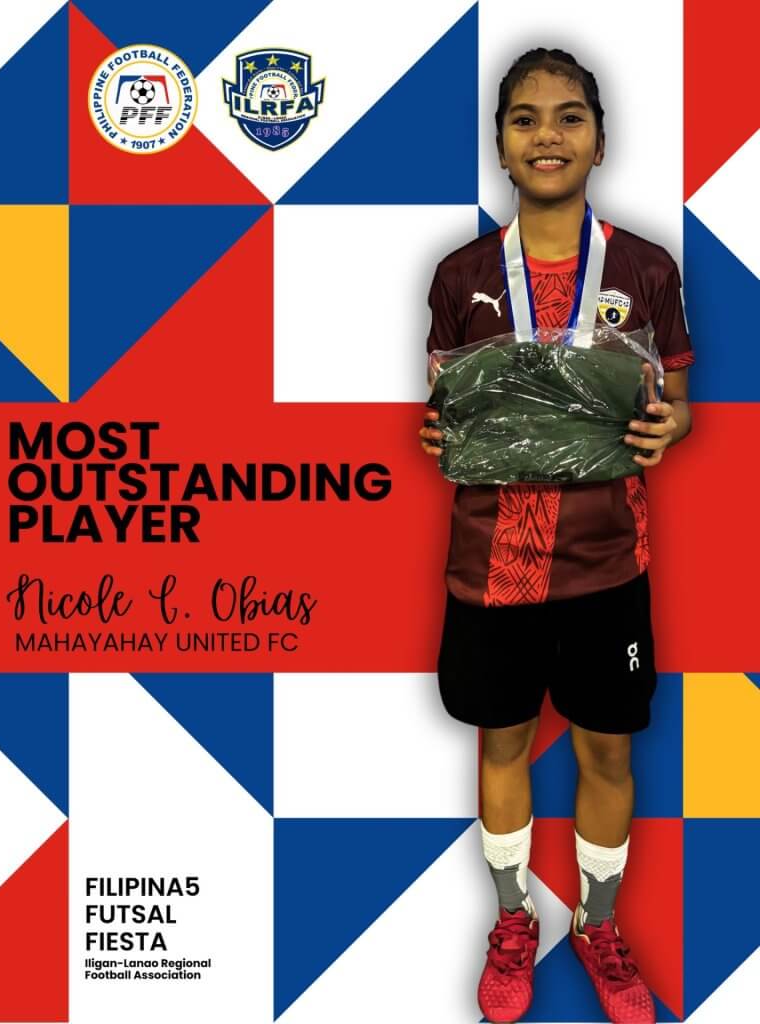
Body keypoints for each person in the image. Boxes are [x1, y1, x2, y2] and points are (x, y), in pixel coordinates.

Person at [419, 48, 693, 1024]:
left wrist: (672, 423)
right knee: (502, 742)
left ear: (600, 140)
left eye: (570, 116)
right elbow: (448, 410)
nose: (548, 134)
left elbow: (677, 398)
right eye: (527, 118)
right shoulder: (460, 275)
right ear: (499, 142)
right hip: (488, 565)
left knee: (608, 755)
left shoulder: (646, 268)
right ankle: (511, 919)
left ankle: (599, 922)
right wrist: (435, 432)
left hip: (607, 563)